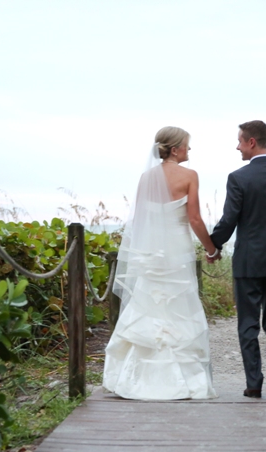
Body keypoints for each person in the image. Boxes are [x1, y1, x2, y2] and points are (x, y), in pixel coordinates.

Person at [102, 126, 219, 400]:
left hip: (151, 253)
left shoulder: (146, 178)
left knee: (149, 305)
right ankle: (182, 380)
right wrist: (211, 248)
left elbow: (140, 219)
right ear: (176, 148)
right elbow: (194, 220)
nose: (189, 151)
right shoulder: (190, 176)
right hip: (177, 251)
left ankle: (134, 379)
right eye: (187, 146)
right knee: (178, 306)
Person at [210, 120, 266, 398]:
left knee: (248, 323)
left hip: (249, 262)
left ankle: (253, 383)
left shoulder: (239, 178)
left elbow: (229, 219)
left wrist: (214, 246)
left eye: (240, 140)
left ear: (252, 142)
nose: (237, 146)